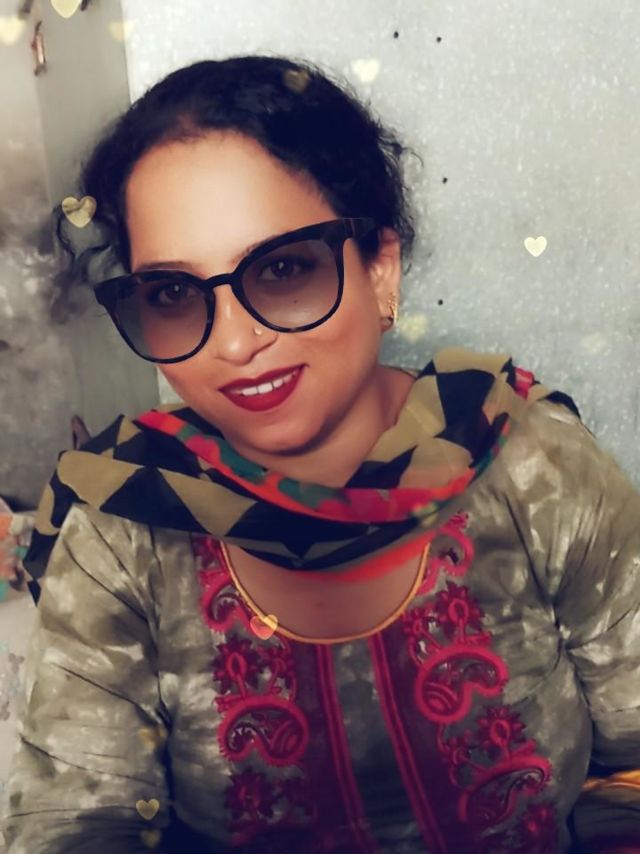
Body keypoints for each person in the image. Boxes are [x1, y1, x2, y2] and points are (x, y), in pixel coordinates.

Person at [2, 54, 639, 854]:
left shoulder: (531, 465)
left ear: (380, 269)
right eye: (173, 294)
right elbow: (74, 825)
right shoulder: (126, 530)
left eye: (283, 269)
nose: (235, 344)